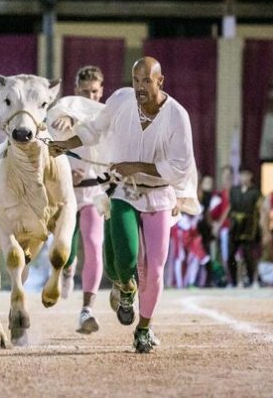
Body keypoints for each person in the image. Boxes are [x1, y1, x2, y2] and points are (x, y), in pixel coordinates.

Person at [50, 57, 198, 353]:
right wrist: (66, 144)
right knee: (126, 262)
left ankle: (143, 329)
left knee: (154, 269)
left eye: (147, 81)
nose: (140, 87)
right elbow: (94, 129)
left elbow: (180, 166)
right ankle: (124, 287)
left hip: (159, 195)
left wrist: (137, 166)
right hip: (123, 192)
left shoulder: (177, 116)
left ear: (160, 81)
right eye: (136, 80)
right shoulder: (120, 100)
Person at [47, 65, 107, 334]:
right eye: (85, 91)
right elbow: (47, 150)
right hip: (67, 192)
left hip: (95, 191)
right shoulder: (62, 110)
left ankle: (87, 309)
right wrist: (66, 174)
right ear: (75, 91)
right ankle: (68, 270)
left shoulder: (107, 114)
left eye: (94, 91)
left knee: (93, 245)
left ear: (101, 91)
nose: (90, 97)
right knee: (65, 248)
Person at [227, 169, 262, 288]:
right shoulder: (234, 190)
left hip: (249, 226)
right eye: (242, 175)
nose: (244, 177)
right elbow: (230, 207)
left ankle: (253, 280)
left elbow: (260, 210)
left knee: (248, 254)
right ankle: (233, 282)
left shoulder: (255, 192)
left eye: (246, 175)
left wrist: (260, 227)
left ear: (250, 176)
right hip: (235, 225)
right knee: (230, 254)